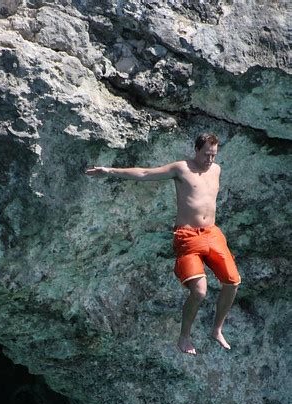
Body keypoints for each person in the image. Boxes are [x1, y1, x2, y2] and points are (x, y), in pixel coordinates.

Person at [85, 133, 241, 355]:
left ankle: (217, 329)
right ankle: (184, 337)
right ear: (196, 150)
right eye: (206, 154)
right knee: (199, 292)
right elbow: (145, 173)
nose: (209, 160)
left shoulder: (216, 170)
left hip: (213, 233)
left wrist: (213, 162)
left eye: (213, 155)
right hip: (188, 236)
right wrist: (110, 171)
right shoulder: (181, 168)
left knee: (233, 282)